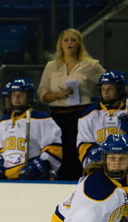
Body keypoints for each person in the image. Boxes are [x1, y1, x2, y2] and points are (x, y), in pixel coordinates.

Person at [38, 28, 107, 181]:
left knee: (77, 154)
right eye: (66, 40)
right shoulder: (51, 66)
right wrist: (57, 95)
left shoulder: (90, 65)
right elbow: (42, 93)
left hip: (80, 115)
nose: (69, 42)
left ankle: (80, 184)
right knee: (60, 154)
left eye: (73, 40)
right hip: (56, 116)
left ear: (79, 44)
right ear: (60, 45)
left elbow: (111, 81)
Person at [0, 78, 62, 181]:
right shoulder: (3, 122)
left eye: (21, 94)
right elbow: (2, 151)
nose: (17, 98)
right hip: (9, 181)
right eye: (14, 94)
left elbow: (54, 150)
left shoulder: (42, 119)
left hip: (37, 180)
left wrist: (38, 167)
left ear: (29, 97)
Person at [77, 70, 128, 169]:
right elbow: (83, 145)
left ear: (120, 89)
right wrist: (101, 156)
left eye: (110, 88)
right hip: (98, 168)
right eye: (103, 88)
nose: (106, 92)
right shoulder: (89, 114)